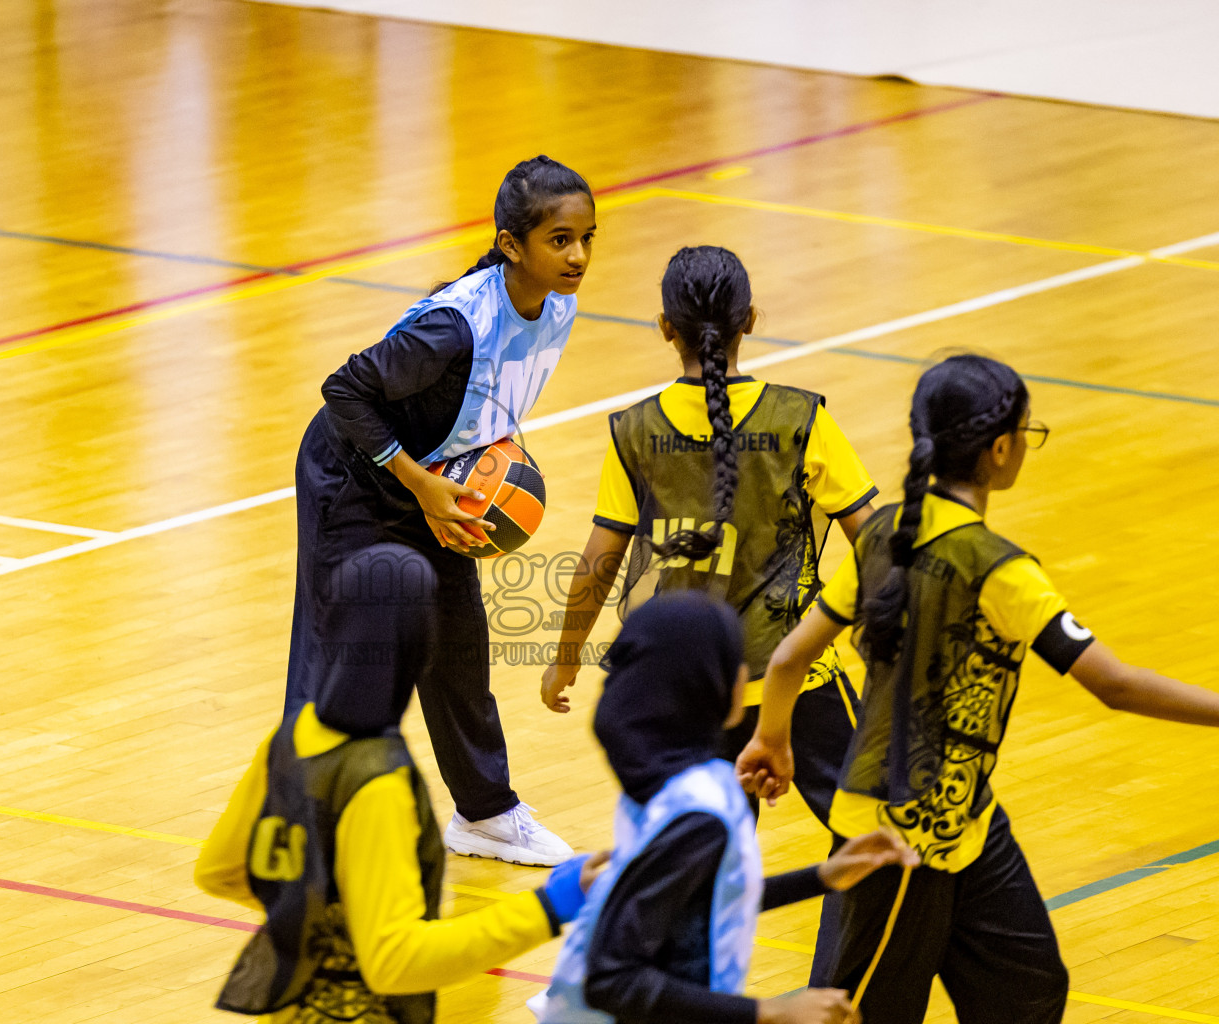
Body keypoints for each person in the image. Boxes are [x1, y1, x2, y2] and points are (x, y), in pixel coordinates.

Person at [736, 354, 1219, 1024]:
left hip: (969, 823)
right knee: (854, 1014)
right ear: (1001, 449)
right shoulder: (1000, 571)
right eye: (1029, 434)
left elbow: (788, 659)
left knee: (1027, 987)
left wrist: (772, 737)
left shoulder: (884, 533)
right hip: (893, 842)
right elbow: (1115, 686)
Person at [289, 155, 596, 866]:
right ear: (511, 244)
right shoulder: (451, 329)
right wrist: (418, 483)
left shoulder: (557, 305)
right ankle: (301, 812)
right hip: (355, 474)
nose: (577, 255)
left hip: (436, 478)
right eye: (559, 240)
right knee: (344, 645)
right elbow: (344, 392)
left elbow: (495, 398)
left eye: (585, 238)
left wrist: (471, 471)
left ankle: (485, 814)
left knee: (458, 642)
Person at [543, 245, 877, 827]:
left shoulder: (636, 430)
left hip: (687, 690)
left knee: (703, 853)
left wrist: (565, 659)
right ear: (749, 320)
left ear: (666, 329)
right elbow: (877, 542)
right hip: (795, 677)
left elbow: (600, 559)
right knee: (866, 832)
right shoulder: (801, 419)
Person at [200, 543, 605, 1023]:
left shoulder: (290, 737)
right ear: (422, 649)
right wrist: (546, 907)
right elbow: (395, 962)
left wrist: (320, 915)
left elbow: (218, 869)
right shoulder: (378, 780)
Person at [530, 590, 917, 1024]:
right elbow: (612, 978)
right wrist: (770, 1010)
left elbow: (700, 905)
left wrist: (822, 877)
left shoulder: (671, 784)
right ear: (708, 685)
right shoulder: (699, 814)